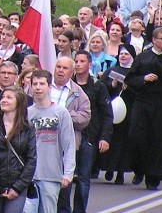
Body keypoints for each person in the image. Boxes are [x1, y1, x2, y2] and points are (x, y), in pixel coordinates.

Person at [125, 26, 162, 190]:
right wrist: (144, 78)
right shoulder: (143, 57)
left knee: (157, 138)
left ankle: (153, 175)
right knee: (136, 135)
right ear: (154, 40)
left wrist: (158, 67)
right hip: (142, 101)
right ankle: (139, 168)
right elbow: (130, 79)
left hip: (161, 101)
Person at [65, 52, 112, 213]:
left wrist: (105, 137)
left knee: (83, 177)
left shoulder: (98, 87)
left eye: (82, 61)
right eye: (76, 61)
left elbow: (107, 114)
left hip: (89, 136)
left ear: (89, 64)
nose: (78, 64)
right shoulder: (67, 86)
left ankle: (79, 210)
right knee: (67, 176)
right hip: (68, 136)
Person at [23, 70, 75, 213]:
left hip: (51, 175)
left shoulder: (61, 112)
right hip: (29, 175)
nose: (38, 87)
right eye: (35, 84)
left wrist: (68, 173)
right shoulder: (26, 113)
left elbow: (69, 144)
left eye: (42, 84)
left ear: (49, 87)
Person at [0, 87, 37, 213]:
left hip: (18, 186)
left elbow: (31, 160)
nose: (4, 100)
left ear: (19, 102)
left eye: (9, 98)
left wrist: (17, 187)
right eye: (3, 97)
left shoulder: (28, 128)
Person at [95, 44, 136, 184]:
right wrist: (111, 85)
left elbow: (140, 90)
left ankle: (121, 173)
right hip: (112, 110)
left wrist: (129, 88)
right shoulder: (112, 70)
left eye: (126, 54)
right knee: (112, 140)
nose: (123, 56)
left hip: (128, 112)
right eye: (121, 54)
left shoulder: (134, 72)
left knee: (125, 143)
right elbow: (100, 87)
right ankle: (109, 168)